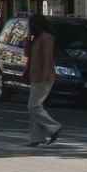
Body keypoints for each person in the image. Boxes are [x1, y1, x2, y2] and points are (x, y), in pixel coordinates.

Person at [26, 14, 61, 147]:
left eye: (31, 25)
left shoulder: (47, 38)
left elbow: (47, 58)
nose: (30, 27)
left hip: (44, 77)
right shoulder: (36, 38)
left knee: (33, 106)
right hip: (35, 76)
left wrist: (45, 75)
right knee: (36, 106)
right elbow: (27, 54)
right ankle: (36, 138)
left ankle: (54, 127)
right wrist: (28, 39)